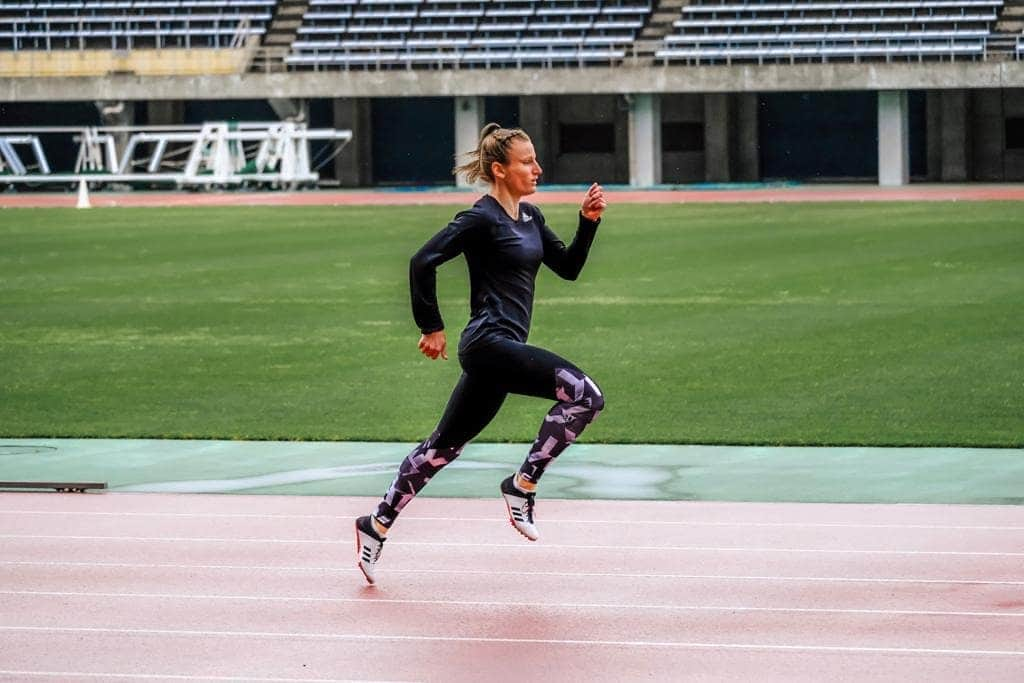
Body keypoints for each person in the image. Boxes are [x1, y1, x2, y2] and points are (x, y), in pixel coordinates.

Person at [355, 123, 608, 585]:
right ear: (499, 169)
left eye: (535, 159)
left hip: (500, 357)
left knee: (441, 448)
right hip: (488, 345)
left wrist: (588, 224)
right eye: (527, 161)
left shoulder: (531, 218)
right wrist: (431, 326)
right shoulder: (481, 219)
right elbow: (421, 261)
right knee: (585, 396)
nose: (538, 168)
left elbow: (567, 268)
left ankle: (375, 523)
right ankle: (522, 484)